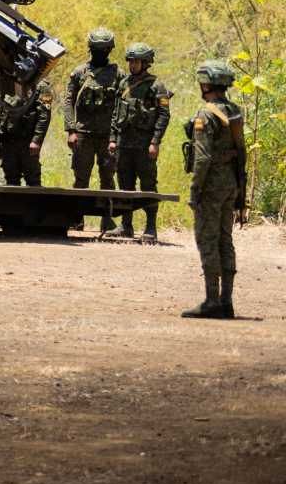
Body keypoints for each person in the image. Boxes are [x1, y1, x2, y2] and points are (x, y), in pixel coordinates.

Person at [181, 59, 247, 319]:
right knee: (225, 240)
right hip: (230, 183)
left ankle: (212, 301)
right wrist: (240, 189)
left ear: (207, 83)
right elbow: (241, 152)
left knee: (207, 240)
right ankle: (226, 301)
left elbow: (203, 158)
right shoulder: (234, 111)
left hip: (211, 186)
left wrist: (195, 189)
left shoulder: (206, 114)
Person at [64, 27, 125, 232]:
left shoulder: (118, 74)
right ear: (90, 49)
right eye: (97, 49)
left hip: (108, 135)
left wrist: (117, 135)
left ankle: (107, 220)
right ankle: (76, 217)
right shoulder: (80, 72)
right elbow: (68, 102)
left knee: (108, 178)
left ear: (110, 50)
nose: (101, 53)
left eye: (104, 49)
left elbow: (123, 105)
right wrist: (71, 130)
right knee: (81, 178)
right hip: (83, 135)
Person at [109, 42, 171, 241]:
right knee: (125, 185)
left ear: (146, 63)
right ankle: (126, 226)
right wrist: (112, 138)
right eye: (130, 61)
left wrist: (155, 142)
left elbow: (163, 115)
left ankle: (150, 228)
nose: (132, 65)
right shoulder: (123, 83)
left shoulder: (157, 86)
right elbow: (116, 113)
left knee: (148, 186)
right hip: (124, 143)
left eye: (136, 61)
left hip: (144, 145)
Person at [0, 72, 52, 187]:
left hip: (27, 140)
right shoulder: (6, 81)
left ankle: (34, 204)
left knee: (33, 181)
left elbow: (44, 115)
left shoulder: (40, 85)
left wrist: (36, 140)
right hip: (8, 139)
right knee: (11, 179)